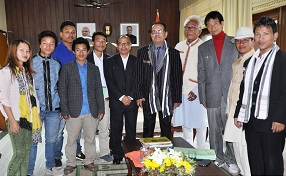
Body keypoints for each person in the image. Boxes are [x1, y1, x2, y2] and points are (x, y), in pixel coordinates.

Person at [234, 17, 286, 175]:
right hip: (252, 121)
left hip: (272, 122)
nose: (261, 38)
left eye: (266, 34)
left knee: (272, 164)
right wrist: (238, 113)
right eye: (258, 34)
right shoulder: (250, 61)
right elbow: (244, 90)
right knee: (255, 162)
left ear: (275, 35)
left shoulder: (282, 59)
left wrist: (280, 118)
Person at [197, 11, 239, 174]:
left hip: (230, 95)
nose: (212, 27)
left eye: (215, 23)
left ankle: (231, 159)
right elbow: (201, 73)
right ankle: (217, 158)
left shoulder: (234, 42)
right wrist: (203, 95)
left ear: (222, 23)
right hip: (212, 94)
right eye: (209, 24)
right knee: (214, 131)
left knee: (229, 130)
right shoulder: (203, 47)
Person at [59, 37, 104, 174]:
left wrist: (101, 108)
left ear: (88, 51)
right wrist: (64, 109)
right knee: (72, 140)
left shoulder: (94, 69)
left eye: (84, 50)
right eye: (77, 50)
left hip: (91, 110)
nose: (81, 52)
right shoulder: (67, 68)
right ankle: (71, 163)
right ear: (73, 52)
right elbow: (62, 89)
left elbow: (98, 90)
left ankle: (89, 161)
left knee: (90, 139)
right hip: (73, 111)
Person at [0, 39, 42, 176]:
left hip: (30, 119)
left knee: (27, 154)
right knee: (19, 154)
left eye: (28, 51)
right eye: (21, 50)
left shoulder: (27, 72)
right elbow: (3, 98)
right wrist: (11, 120)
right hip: (16, 119)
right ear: (14, 51)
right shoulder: (6, 72)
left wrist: (38, 116)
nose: (25, 53)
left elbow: (33, 96)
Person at [135, 22, 182, 139]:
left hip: (167, 95)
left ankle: (166, 153)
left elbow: (177, 76)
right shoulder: (142, 52)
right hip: (148, 95)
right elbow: (138, 75)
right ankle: (147, 153)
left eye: (160, 31)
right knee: (148, 127)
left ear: (166, 34)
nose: (157, 34)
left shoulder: (174, 53)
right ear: (151, 35)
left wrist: (176, 98)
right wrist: (139, 95)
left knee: (166, 126)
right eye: (154, 32)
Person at [27, 31, 63, 176]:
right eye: (45, 43)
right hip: (36, 110)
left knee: (51, 140)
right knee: (33, 141)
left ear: (55, 46)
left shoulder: (57, 64)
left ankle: (50, 166)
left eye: (52, 43)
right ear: (40, 44)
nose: (48, 46)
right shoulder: (30, 62)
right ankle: (29, 171)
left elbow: (60, 87)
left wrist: (62, 107)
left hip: (54, 109)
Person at [51, 20, 85, 168]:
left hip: (76, 98)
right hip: (60, 98)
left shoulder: (77, 49)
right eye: (67, 32)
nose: (70, 34)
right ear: (61, 34)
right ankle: (57, 156)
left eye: (73, 32)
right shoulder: (56, 52)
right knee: (59, 132)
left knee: (76, 128)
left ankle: (78, 151)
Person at [173, 15, 208, 149]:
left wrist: (198, 91)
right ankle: (188, 152)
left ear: (199, 30)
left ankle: (201, 152)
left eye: (193, 27)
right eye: (187, 27)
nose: (189, 30)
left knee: (200, 125)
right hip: (181, 91)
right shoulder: (179, 45)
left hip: (197, 92)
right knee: (185, 124)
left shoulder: (204, 47)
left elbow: (207, 73)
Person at [223, 27, 255, 176]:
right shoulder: (237, 62)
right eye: (238, 41)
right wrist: (229, 110)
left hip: (245, 112)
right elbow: (232, 87)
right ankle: (243, 172)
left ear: (253, 41)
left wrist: (243, 113)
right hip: (234, 109)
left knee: (245, 147)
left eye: (245, 40)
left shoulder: (256, 61)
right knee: (235, 145)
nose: (241, 44)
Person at [104, 35, 138, 164]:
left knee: (131, 129)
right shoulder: (109, 61)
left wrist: (130, 96)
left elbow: (139, 81)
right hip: (116, 101)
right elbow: (110, 81)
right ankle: (117, 154)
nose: (123, 46)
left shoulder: (136, 61)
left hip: (131, 101)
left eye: (126, 43)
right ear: (117, 46)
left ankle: (131, 154)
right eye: (121, 44)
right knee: (116, 129)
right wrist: (121, 97)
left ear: (130, 46)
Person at [86, 32, 113, 163]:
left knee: (104, 127)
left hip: (106, 97)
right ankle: (90, 156)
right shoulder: (86, 58)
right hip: (91, 99)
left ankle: (104, 152)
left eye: (103, 41)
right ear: (92, 43)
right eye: (98, 40)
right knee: (90, 129)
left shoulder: (109, 58)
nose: (101, 43)